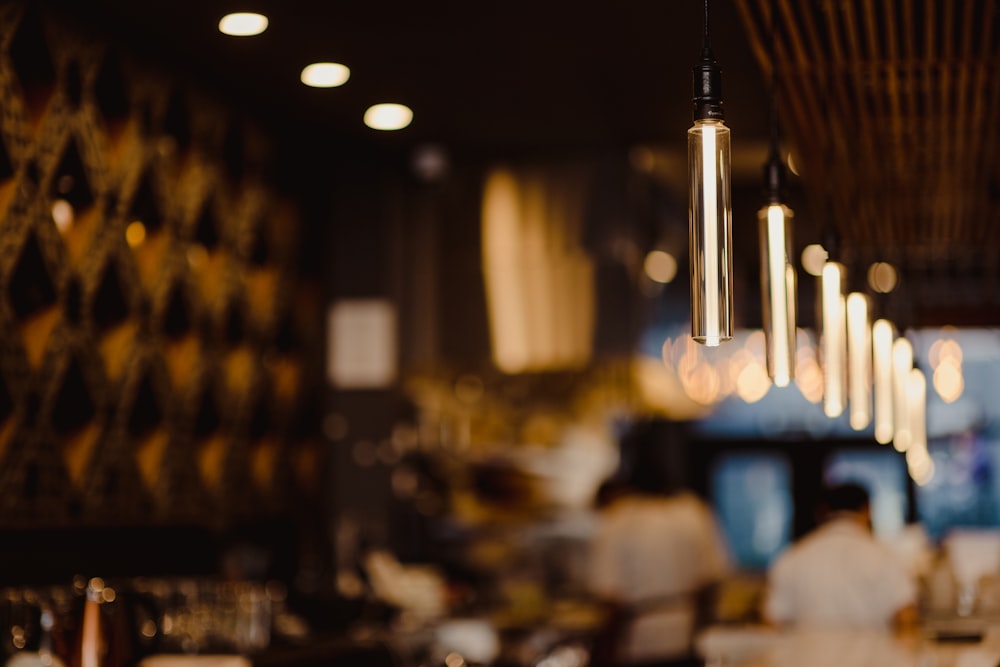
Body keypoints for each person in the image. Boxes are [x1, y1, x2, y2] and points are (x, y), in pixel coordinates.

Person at [587, 420, 730, 666]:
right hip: (687, 636)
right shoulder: (693, 513)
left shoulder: (620, 520)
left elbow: (611, 597)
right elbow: (711, 581)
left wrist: (603, 654)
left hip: (638, 641)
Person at [763, 482, 919, 630]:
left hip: (806, 657)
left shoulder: (792, 556)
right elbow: (906, 618)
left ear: (823, 512)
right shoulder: (884, 556)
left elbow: (773, 623)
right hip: (872, 657)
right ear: (868, 510)